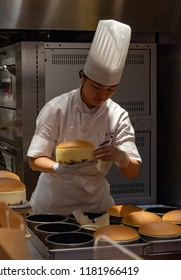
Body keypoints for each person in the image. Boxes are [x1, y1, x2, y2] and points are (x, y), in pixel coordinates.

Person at [27, 19, 142, 215]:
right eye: (96, 87)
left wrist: (120, 156)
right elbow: (34, 160)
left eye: (110, 90)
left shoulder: (118, 115)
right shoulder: (57, 109)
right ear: (82, 76)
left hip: (95, 204)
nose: (102, 95)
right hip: (54, 203)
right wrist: (57, 167)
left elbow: (132, 173)